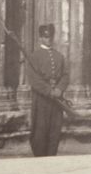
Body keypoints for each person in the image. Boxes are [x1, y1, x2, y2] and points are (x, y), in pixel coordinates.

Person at [25, 23, 70, 158]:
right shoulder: (34, 56)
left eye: (50, 37)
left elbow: (65, 75)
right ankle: (40, 159)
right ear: (40, 38)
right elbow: (34, 79)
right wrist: (48, 91)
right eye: (45, 37)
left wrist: (60, 89)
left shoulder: (59, 56)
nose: (48, 39)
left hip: (57, 100)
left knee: (55, 129)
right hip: (41, 100)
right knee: (40, 130)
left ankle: (51, 157)